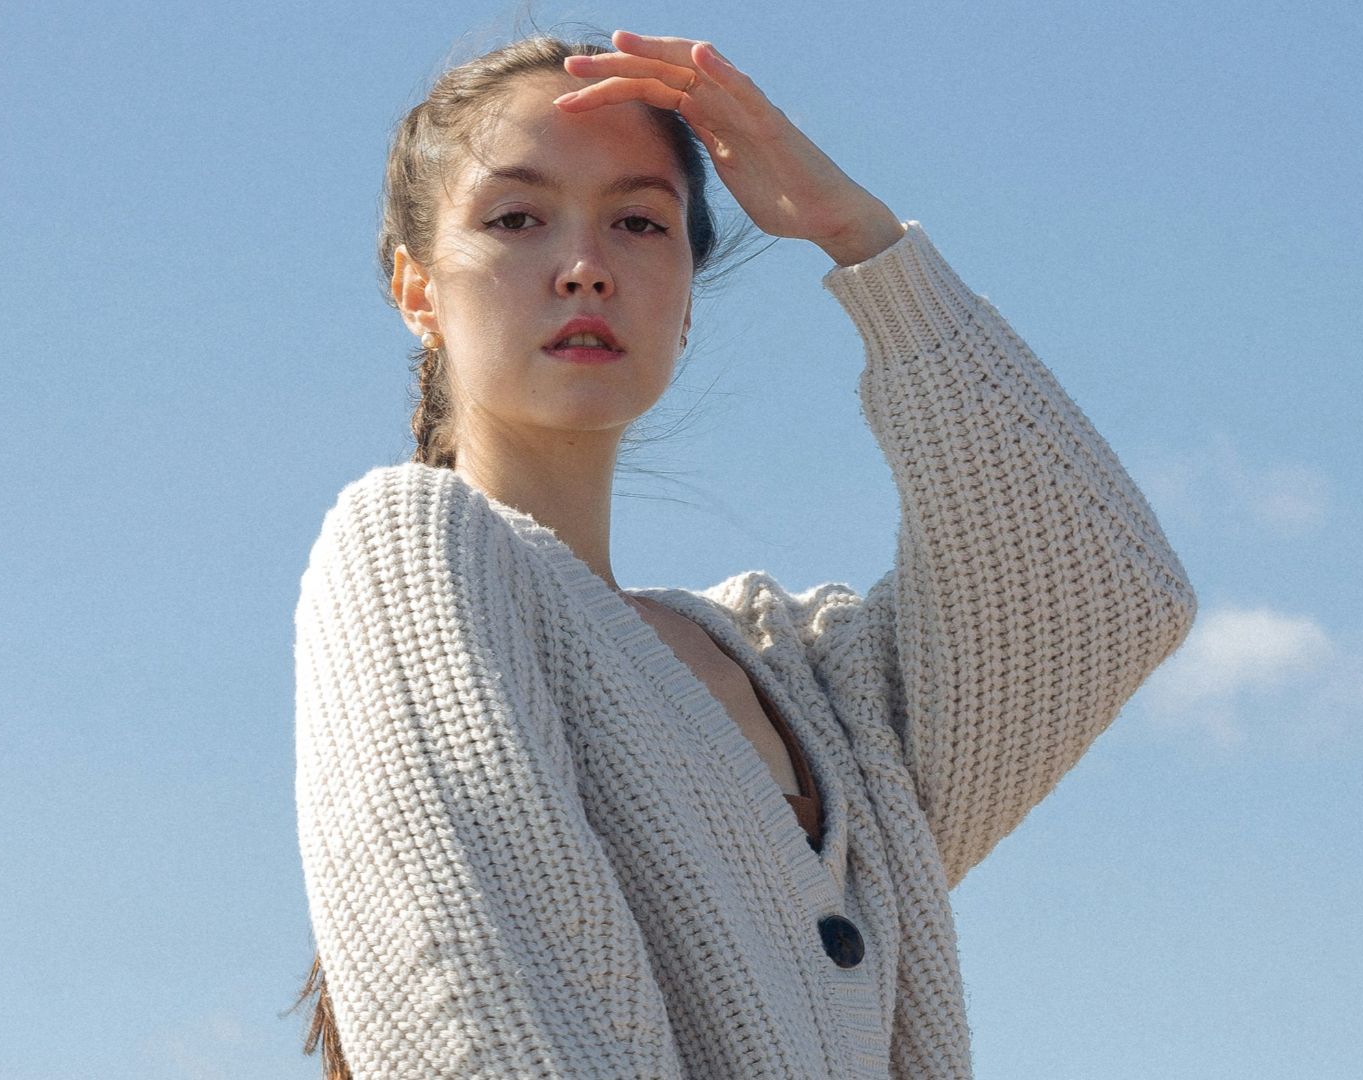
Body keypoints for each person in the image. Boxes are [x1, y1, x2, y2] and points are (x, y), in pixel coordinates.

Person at [290, 27, 1198, 1080]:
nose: (585, 268)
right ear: (417, 290)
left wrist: (860, 238)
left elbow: (1103, 589)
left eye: (639, 222)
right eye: (516, 218)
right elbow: (486, 1028)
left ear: (686, 299)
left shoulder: (800, 677)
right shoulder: (409, 549)